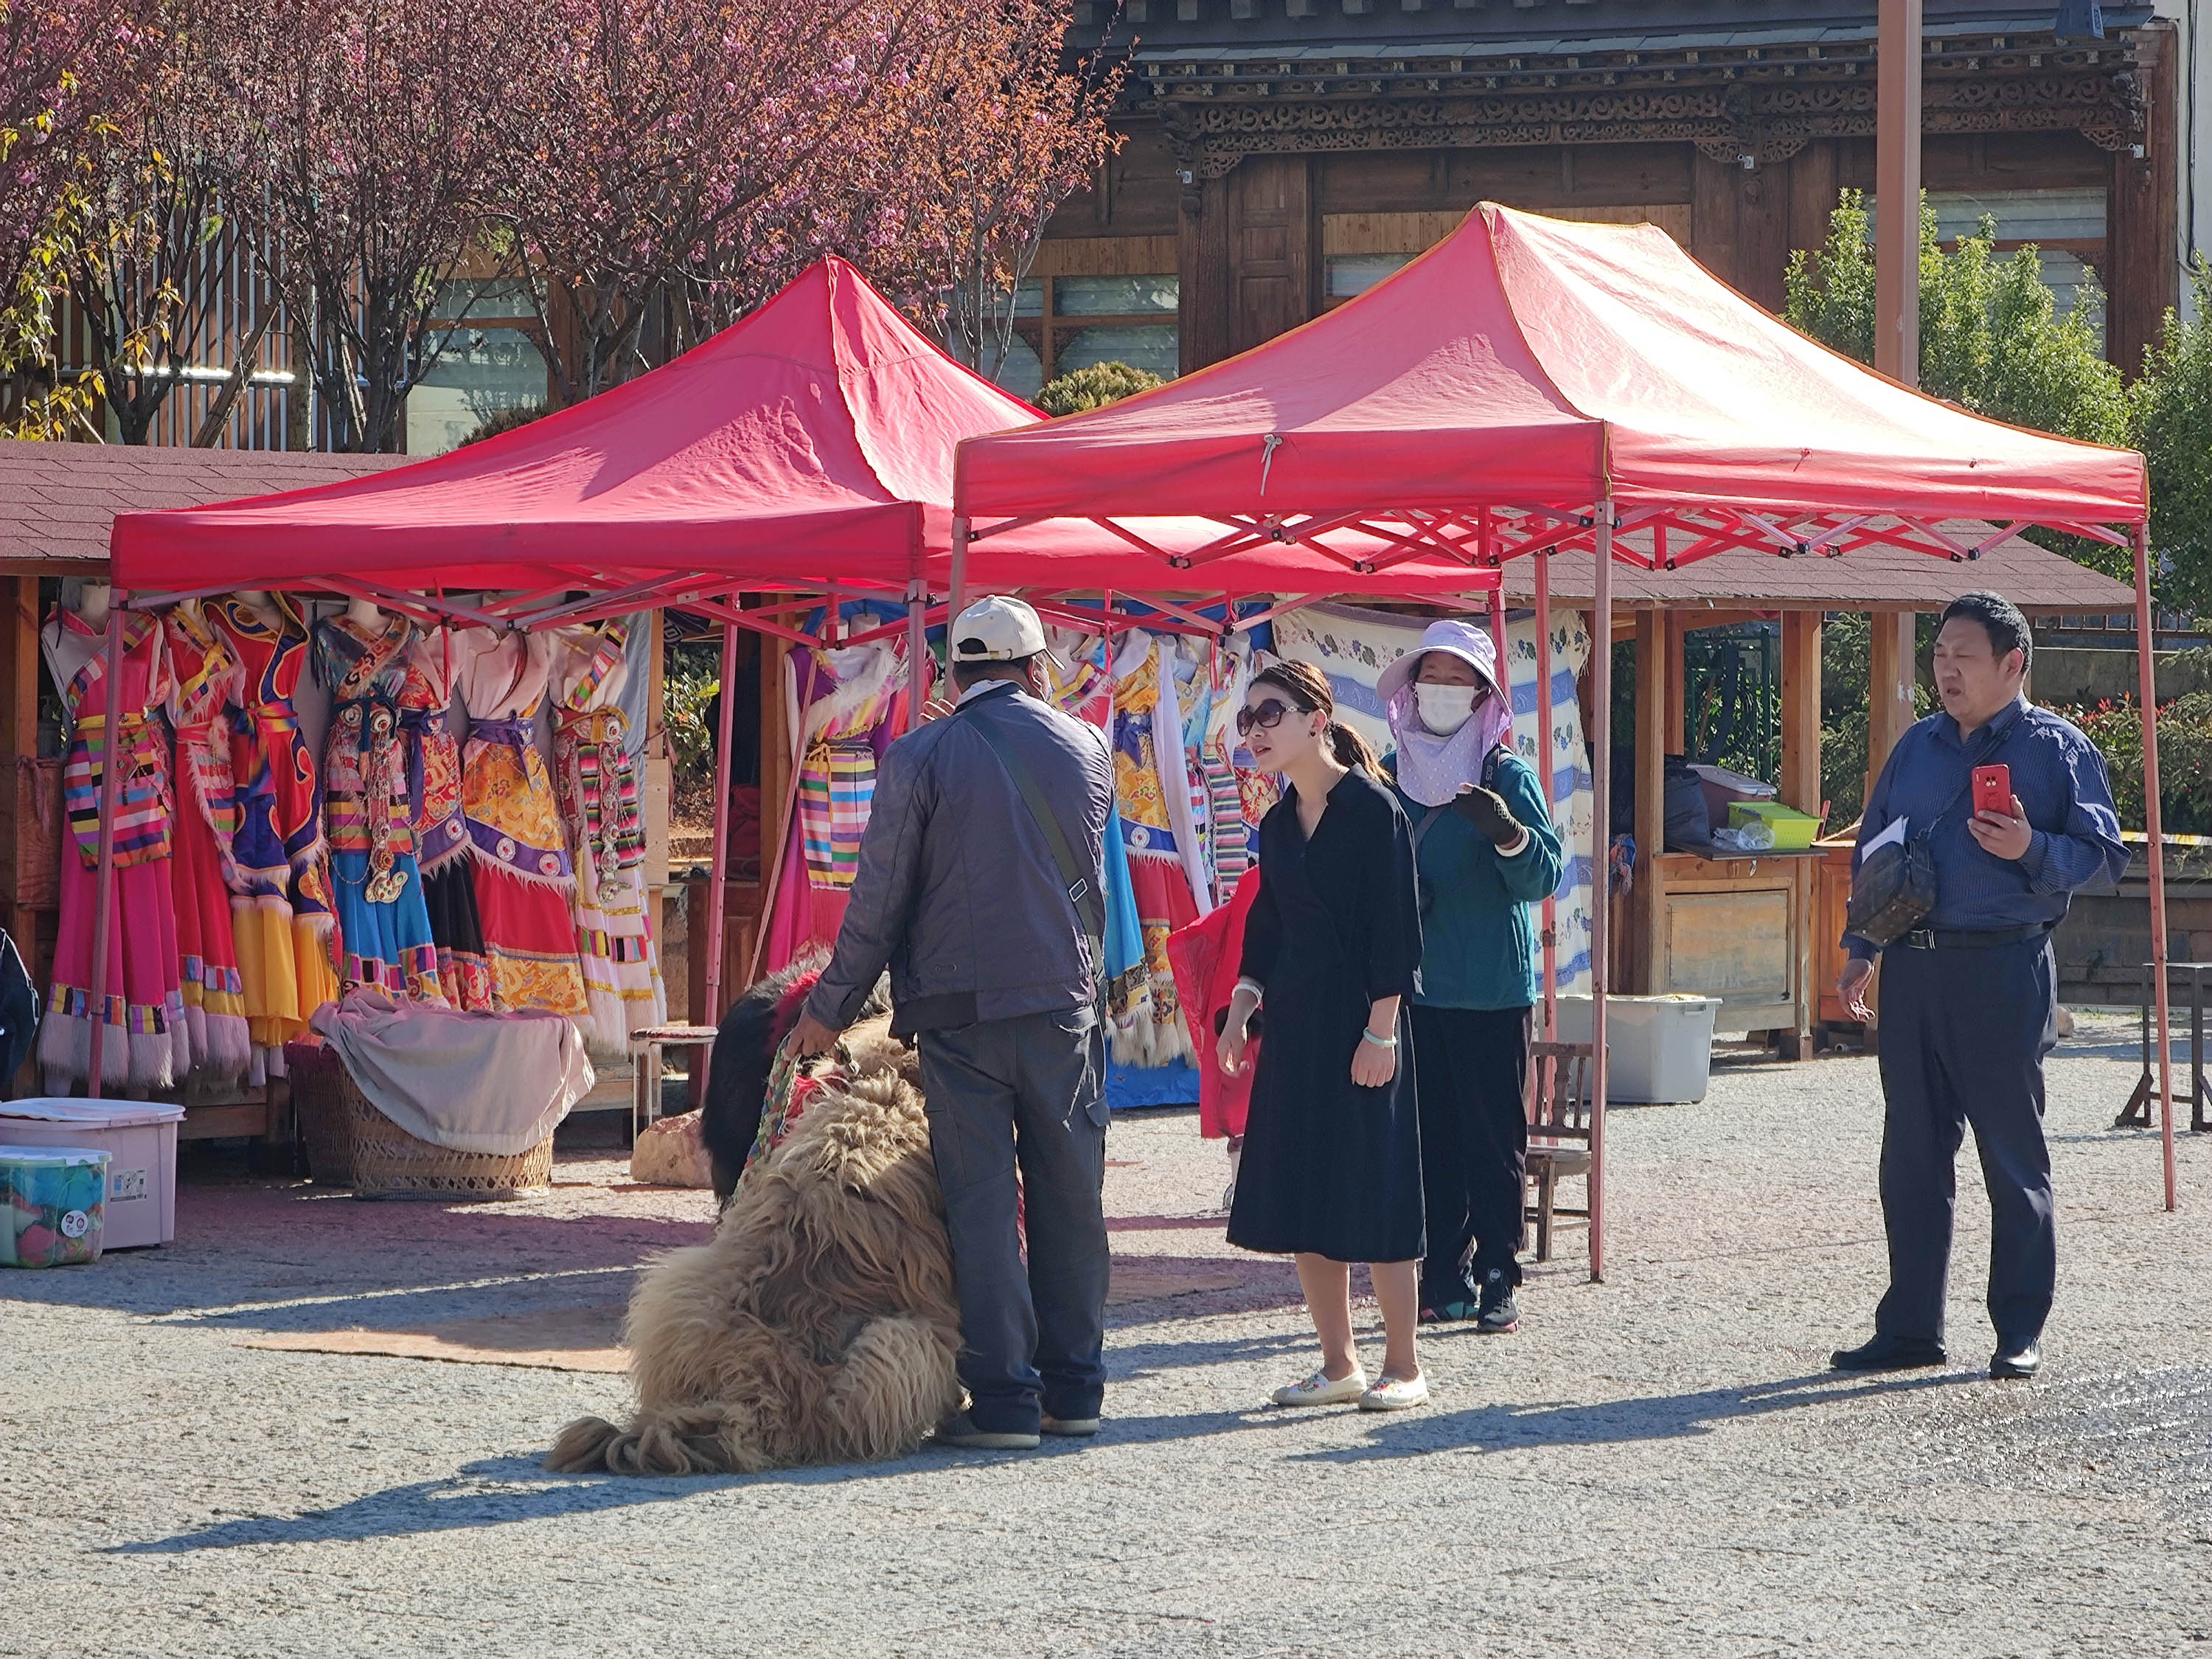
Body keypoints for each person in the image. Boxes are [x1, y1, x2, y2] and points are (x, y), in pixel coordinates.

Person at [790, 595, 1116, 1451]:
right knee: (1070, 1200)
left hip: (961, 1019)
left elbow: (878, 903)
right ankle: (1076, 1391)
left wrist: (827, 1012)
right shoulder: (1087, 746)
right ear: (1038, 669)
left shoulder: (918, 756)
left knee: (981, 1208)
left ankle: (1006, 1401)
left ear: (950, 673)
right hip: (1064, 1010)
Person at [1832, 591, 2126, 1381]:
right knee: (1912, 1153)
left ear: (2013, 664)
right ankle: (1910, 1328)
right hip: (1915, 968)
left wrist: (2033, 847)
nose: (1946, 670)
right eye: (1938, 656)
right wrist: (1861, 944)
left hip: (2005, 966)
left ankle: (2018, 1329)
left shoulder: (2057, 749)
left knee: (2011, 1154)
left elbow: (2105, 854)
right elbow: (1875, 842)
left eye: (1963, 656)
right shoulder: (1917, 747)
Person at [1217, 661, 1430, 1411]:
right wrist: (1243, 1004)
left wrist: (1383, 1032)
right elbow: (1267, 924)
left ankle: (1404, 1365)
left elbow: (1398, 931)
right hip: (1299, 1023)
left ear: (1316, 719)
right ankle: (1338, 1364)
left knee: (1377, 1187)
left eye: (1268, 714)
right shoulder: (1276, 824)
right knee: (1307, 1189)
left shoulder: (1375, 811)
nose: (1254, 733)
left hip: (1363, 1022)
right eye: (1246, 720)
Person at [1377, 621, 1564, 1332]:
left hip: (1489, 987)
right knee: (1429, 1141)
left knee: (1493, 1141)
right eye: (1433, 676)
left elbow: (1543, 876)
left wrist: (1510, 833)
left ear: (1483, 693)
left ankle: (1498, 1276)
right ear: (1413, 689)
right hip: (1415, 989)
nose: (1443, 691)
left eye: (1459, 679)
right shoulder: (1393, 776)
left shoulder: (1503, 773)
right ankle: (1441, 1276)